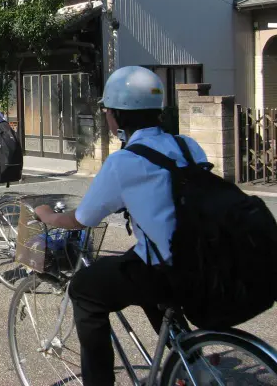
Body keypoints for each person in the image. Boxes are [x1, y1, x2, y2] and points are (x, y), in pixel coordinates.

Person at [33, 66, 208, 386]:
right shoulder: (187, 146)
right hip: (202, 260)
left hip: (164, 266)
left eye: (106, 111)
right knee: (143, 278)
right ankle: (192, 364)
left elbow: (81, 219)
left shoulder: (124, 162)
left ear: (116, 116)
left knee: (85, 289)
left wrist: (47, 216)